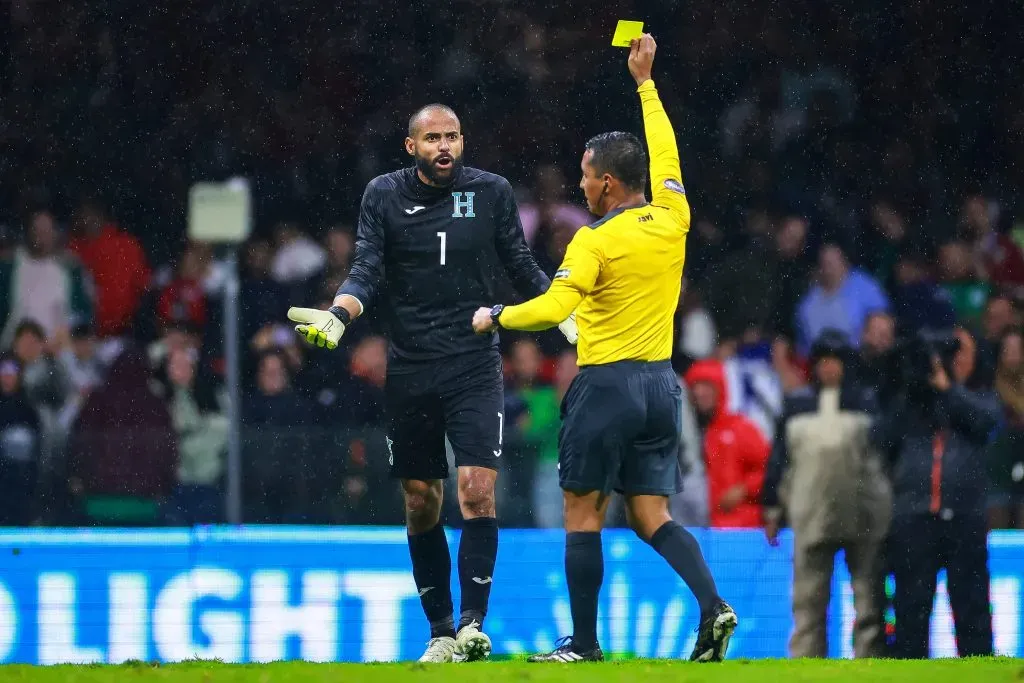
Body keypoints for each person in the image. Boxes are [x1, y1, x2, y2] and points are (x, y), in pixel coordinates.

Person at [472, 34, 736, 664]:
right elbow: (666, 152)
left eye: (586, 177)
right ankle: (713, 607)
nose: (582, 187)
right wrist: (645, 83)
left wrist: (496, 314)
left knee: (581, 512)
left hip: (606, 386)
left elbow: (554, 309)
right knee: (651, 513)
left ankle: (584, 645)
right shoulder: (674, 215)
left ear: (609, 183)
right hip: (659, 388)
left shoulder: (593, 242)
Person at [287, 102, 576, 663]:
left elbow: (519, 261)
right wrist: (340, 315)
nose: (445, 146)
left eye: (453, 137)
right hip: (411, 368)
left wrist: (559, 308)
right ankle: (440, 630)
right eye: (433, 138)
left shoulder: (491, 192)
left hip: (473, 363)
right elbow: (367, 267)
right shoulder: (382, 194)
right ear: (410, 146)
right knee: (421, 499)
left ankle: (471, 625)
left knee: (477, 489)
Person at [762, 330, 891, 658]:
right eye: (823, 362)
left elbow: (885, 459)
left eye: (835, 362)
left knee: (868, 599)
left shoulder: (867, 404)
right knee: (807, 601)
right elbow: (780, 460)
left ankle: (868, 663)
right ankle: (806, 662)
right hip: (810, 514)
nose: (829, 368)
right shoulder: (797, 406)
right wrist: (772, 507)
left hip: (863, 515)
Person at [875, 328, 998, 658]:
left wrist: (949, 390)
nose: (951, 359)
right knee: (910, 612)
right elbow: (881, 440)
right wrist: (908, 387)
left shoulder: (982, 396)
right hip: (914, 518)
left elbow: (986, 425)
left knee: (972, 612)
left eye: (961, 352)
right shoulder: (909, 402)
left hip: (964, 518)